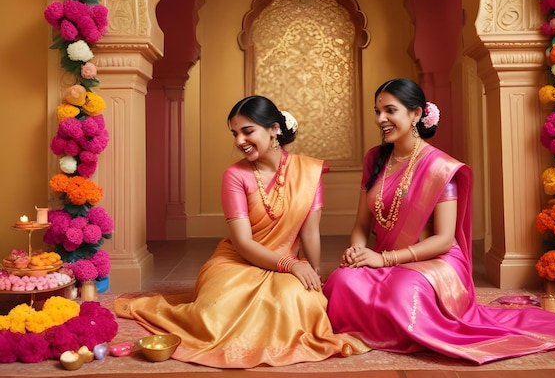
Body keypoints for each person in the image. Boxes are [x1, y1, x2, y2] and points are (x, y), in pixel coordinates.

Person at [323, 78, 555, 364]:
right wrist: (357, 252)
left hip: (433, 259)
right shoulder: (374, 159)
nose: (381, 119)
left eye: (390, 110)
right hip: (384, 257)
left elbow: (443, 239)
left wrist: (384, 259)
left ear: (415, 114)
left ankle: (393, 328)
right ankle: (384, 326)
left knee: (403, 292)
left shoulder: (439, 166)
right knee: (341, 280)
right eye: (378, 111)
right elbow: (361, 224)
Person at [114, 95, 369, 367]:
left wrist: (313, 274)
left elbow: (309, 233)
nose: (239, 141)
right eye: (235, 133)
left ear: (274, 129)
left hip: (286, 263)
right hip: (237, 261)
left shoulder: (309, 171)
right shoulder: (235, 175)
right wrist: (291, 265)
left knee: (298, 300)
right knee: (217, 311)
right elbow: (243, 242)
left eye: (247, 131)